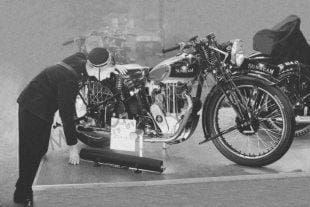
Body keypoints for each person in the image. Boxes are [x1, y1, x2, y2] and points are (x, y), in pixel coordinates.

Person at [14, 47, 127, 207]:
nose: (109, 74)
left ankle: (35, 165)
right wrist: (73, 147)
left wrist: (113, 67)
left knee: (40, 147)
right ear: (96, 67)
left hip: (45, 103)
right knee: (30, 153)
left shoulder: (82, 58)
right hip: (33, 107)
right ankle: (22, 193)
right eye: (108, 70)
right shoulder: (69, 80)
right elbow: (67, 116)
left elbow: (95, 65)